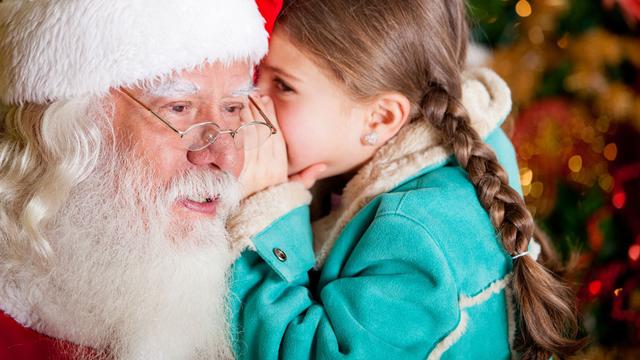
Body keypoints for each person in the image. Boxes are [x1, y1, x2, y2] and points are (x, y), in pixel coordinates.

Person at [227, 0, 585, 358]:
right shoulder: (451, 144)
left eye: (283, 86)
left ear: (381, 118)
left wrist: (265, 215)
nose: (251, 102)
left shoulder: (414, 232)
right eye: (256, 76)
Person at [0, 0, 282, 359]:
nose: (226, 157)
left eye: (232, 109)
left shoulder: (251, 300)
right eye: (179, 108)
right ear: (70, 132)